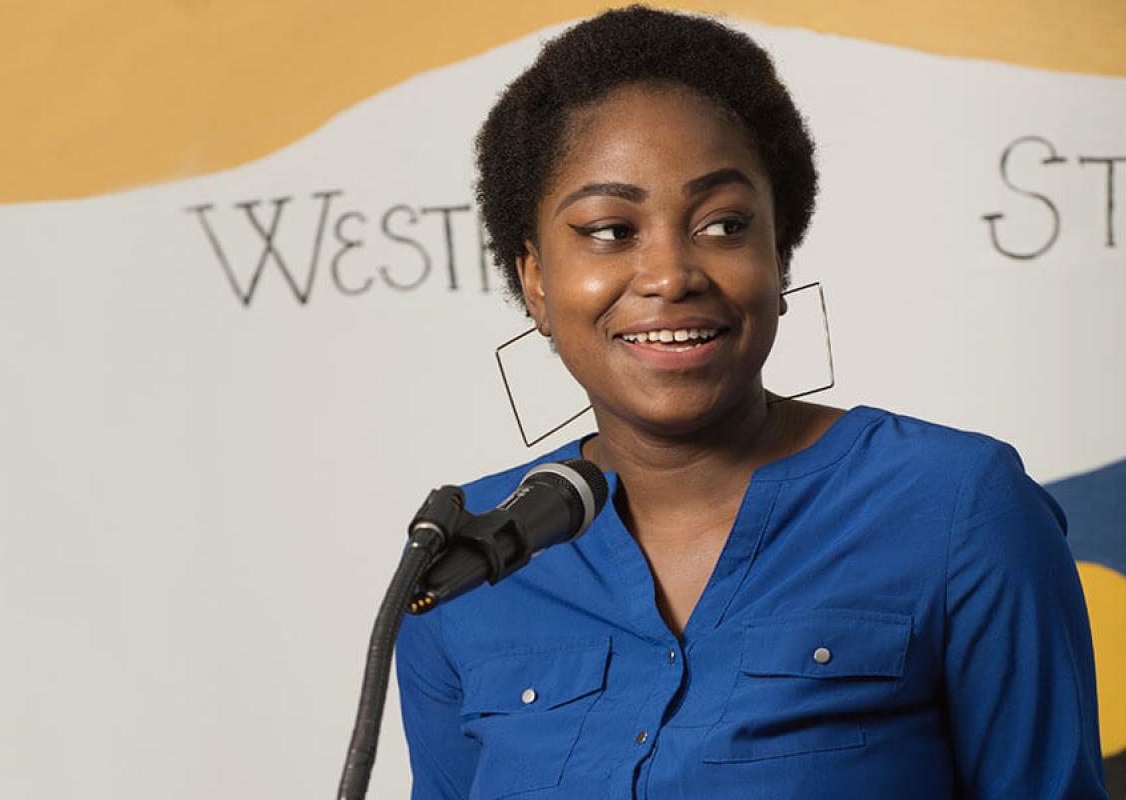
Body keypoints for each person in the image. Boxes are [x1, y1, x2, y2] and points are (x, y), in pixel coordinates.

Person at [396, 6, 1107, 798]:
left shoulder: (959, 508)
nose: (670, 275)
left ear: (778, 253)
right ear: (534, 277)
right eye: (608, 230)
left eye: (723, 223)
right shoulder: (465, 566)